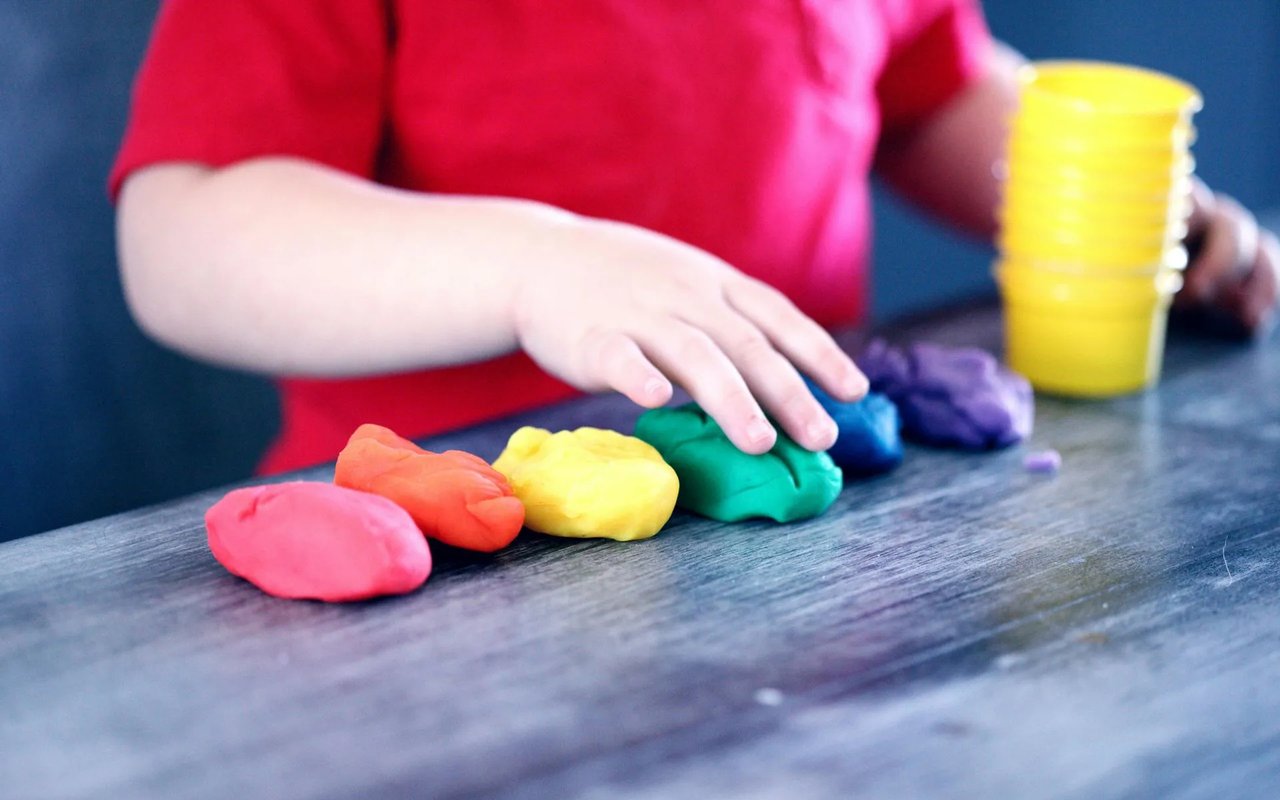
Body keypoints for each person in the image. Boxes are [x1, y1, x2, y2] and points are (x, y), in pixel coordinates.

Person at [112, 1, 1278, 474]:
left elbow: (927, 91)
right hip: (442, 547)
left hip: (806, 517)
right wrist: (536, 267)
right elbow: (186, 233)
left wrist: (1120, 213)